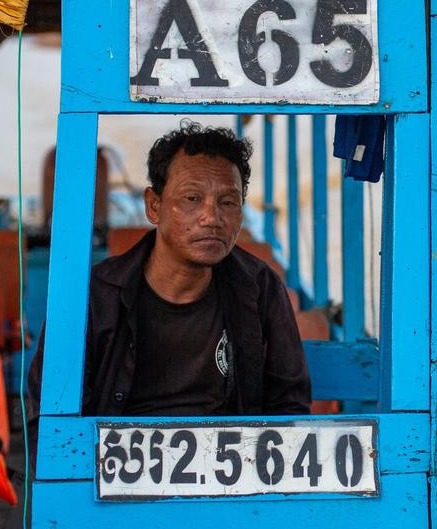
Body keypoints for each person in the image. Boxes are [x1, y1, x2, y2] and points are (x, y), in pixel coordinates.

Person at [28, 121, 310, 420]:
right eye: (192, 199)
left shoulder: (259, 287)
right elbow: (50, 426)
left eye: (228, 202)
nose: (212, 218)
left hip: (234, 463)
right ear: (153, 206)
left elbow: (289, 406)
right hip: (114, 464)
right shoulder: (95, 295)